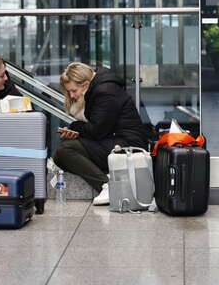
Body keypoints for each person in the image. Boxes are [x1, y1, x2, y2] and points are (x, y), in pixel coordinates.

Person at [52, 62, 148, 206]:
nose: (72, 95)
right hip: (116, 139)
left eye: (73, 90)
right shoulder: (100, 88)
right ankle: (108, 178)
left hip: (129, 145)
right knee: (62, 154)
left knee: (65, 150)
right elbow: (99, 128)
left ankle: (109, 186)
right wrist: (76, 131)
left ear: (85, 84)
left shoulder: (105, 91)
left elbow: (97, 131)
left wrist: (75, 127)